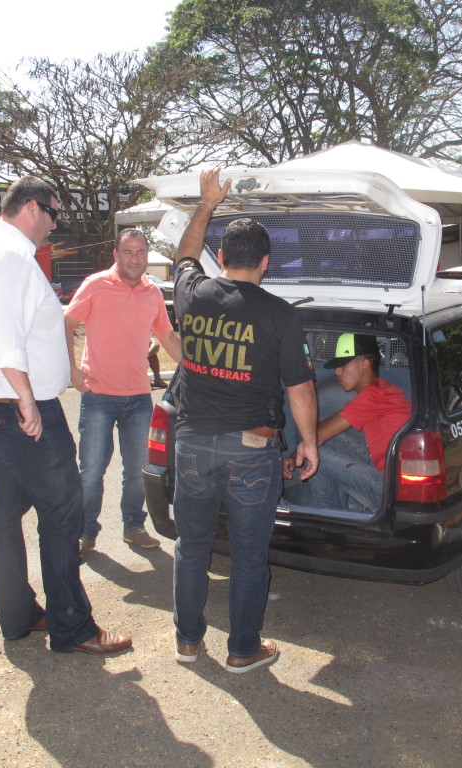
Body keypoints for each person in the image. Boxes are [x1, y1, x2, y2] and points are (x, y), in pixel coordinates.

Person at [0, 175, 130, 655]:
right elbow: (4, 336)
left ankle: (19, 614)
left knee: (6, 510)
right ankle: (72, 626)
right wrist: (29, 400)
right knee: (63, 510)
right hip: (19, 408)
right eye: (53, 214)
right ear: (33, 208)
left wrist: (60, 370)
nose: (54, 226)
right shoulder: (10, 257)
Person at [169, 168, 318, 673]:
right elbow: (299, 388)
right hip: (253, 450)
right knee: (250, 556)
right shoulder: (281, 314)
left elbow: (184, 255)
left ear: (224, 259)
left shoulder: (193, 292)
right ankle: (242, 649)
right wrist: (310, 444)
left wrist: (207, 204)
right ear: (266, 263)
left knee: (192, 547)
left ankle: (188, 641)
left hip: (191, 444)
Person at [63, 229, 181, 554]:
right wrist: (71, 369)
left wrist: (196, 369)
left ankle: (133, 527)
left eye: (141, 252)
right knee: (91, 471)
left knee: (138, 471)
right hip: (99, 395)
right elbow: (66, 323)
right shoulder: (96, 284)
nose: (134, 258)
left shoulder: (152, 293)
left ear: (147, 256)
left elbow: (168, 336)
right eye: (128, 252)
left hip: (139, 398)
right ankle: (85, 532)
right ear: (115, 254)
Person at [283, 332, 411, 512]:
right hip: (384, 475)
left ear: (364, 364)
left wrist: (292, 457)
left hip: (390, 490)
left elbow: (317, 437)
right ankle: (336, 511)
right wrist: (295, 453)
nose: (337, 371)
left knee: (318, 453)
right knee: (320, 443)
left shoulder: (375, 396)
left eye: (343, 365)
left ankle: (330, 515)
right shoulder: (380, 391)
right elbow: (325, 427)